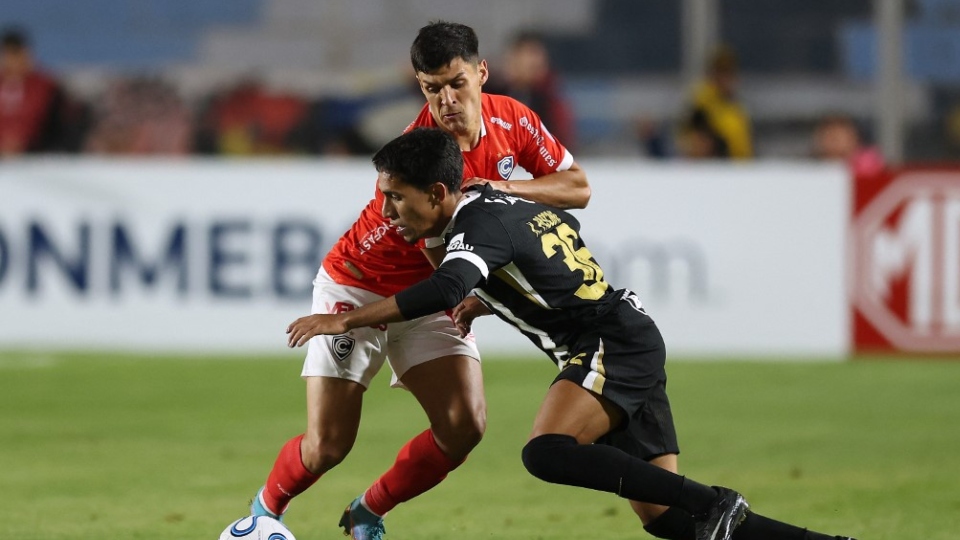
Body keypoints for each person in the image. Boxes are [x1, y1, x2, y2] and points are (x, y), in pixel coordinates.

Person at [286, 127, 860, 540]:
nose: (386, 210)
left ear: (437, 194)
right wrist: (490, 303)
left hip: (611, 342)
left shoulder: (473, 224)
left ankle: (717, 501)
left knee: (547, 453)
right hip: (628, 335)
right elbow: (558, 231)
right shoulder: (495, 198)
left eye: (395, 197)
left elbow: (441, 291)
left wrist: (343, 319)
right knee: (666, 520)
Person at [246, 20, 591, 540]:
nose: (446, 100)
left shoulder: (513, 119)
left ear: (481, 72)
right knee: (328, 446)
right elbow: (437, 259)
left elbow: (577, 187)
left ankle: (368, 511)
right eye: (432, 89)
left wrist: (497, 187)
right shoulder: (421, 151)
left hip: (439, 288)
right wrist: (479, 293)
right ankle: (262, 514)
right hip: (362, 284)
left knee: (463, 426)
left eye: (456, 83)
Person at [485, 29, 577, 150]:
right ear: (512, 58)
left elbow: (562, 143)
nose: (536, 62)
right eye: (530, 55)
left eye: (540, 57)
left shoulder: (549, 99)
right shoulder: (487, 92)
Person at [678, 45, 752, 160]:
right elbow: (689, 140)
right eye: (721, 72)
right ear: (713, 74)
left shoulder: (736, 107)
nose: (726, 79)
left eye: (729, 73)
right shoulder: (701, 103)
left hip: (736, 170)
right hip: (712, 169)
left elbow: (743, 145)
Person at [0, 27, 65, 156]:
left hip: (33, 153)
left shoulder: (45, 86)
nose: (13, 61)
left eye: (17, 54)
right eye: (9, 54)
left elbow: (42, 118)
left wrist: (22, 142)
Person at [811, 113, 884, 178]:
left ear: (853, 138)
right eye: (830, 137)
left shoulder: (868, 164)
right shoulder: (811, 167)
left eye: (838, 138)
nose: (834, 143)